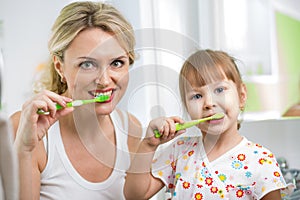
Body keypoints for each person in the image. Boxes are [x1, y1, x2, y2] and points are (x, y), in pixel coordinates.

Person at [10, 1, 142, 199]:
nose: (105, 81)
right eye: (87, 64)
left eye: (117, 63)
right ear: (60, 67)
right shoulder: (25, 128)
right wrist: (24, 151)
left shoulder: (132, 130)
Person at [124, 49, 291, 199]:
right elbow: (134, 195)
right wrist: (147, 145)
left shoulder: (261, 160)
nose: (209, 103)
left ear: (241, 96)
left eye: (219, 90)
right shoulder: (179, 151)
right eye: (197, 96)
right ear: (187, 108)